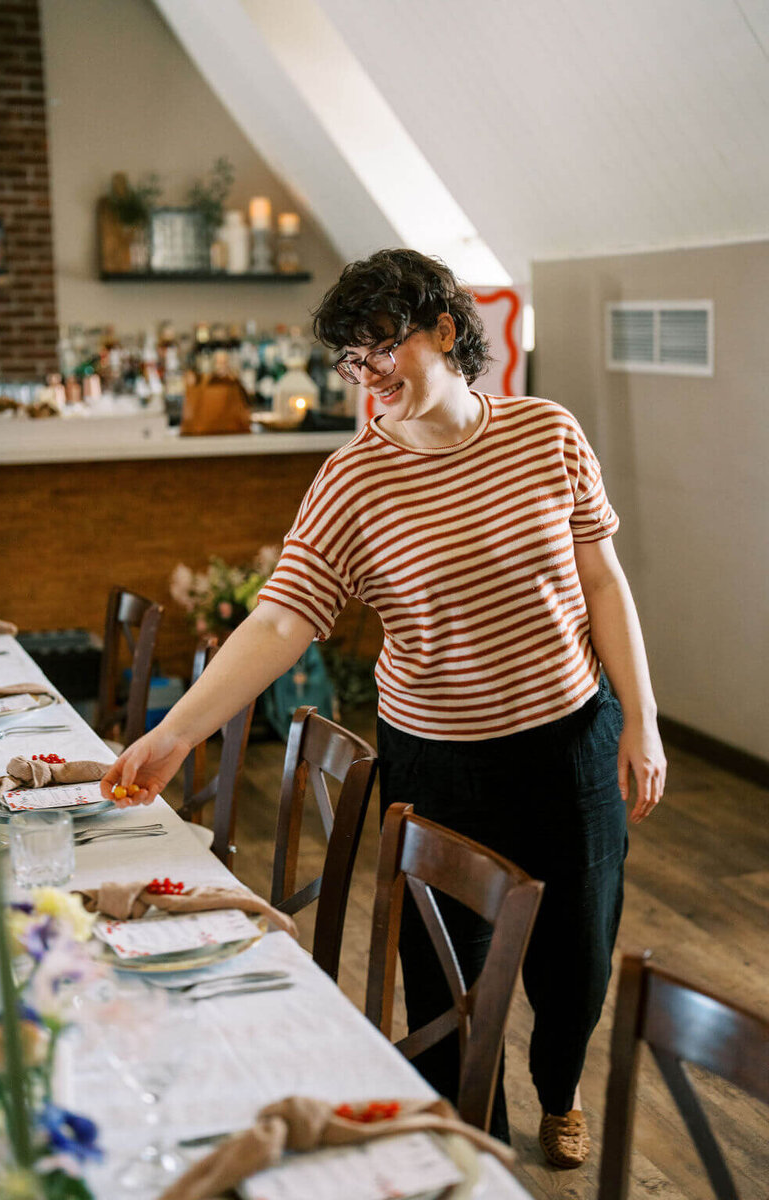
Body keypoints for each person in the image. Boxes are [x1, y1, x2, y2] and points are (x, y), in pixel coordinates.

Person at [102, 248, 666, 1168]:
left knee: (578, 957)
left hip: (569, 739)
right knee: (444, 974)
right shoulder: (351, 482)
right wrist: (174, 733)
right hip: (439, 760)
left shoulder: (548, 434)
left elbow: (603, 580)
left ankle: (560, 1092)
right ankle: (461, 1146)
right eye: (351, 363)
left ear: (446, 331)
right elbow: (281, 621)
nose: (368, 380)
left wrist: (639, 717)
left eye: (380, 351)